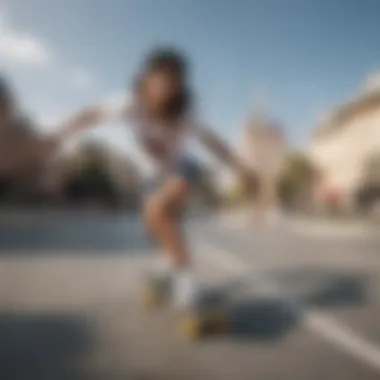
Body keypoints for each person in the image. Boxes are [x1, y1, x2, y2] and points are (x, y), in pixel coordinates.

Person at [53, 47, 258, 310]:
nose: (165, 92)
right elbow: (89, 115)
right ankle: (169, 266)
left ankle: (187, 285)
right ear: (147, 80)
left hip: (181, 168)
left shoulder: (187, 110)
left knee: (158, 209)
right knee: (157, 224)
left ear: (180, 87)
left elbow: (212, 141)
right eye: (160, 82)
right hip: (150, 175)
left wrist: (241, 168)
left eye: (173, 84)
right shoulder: (130, 102)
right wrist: (56, 137)